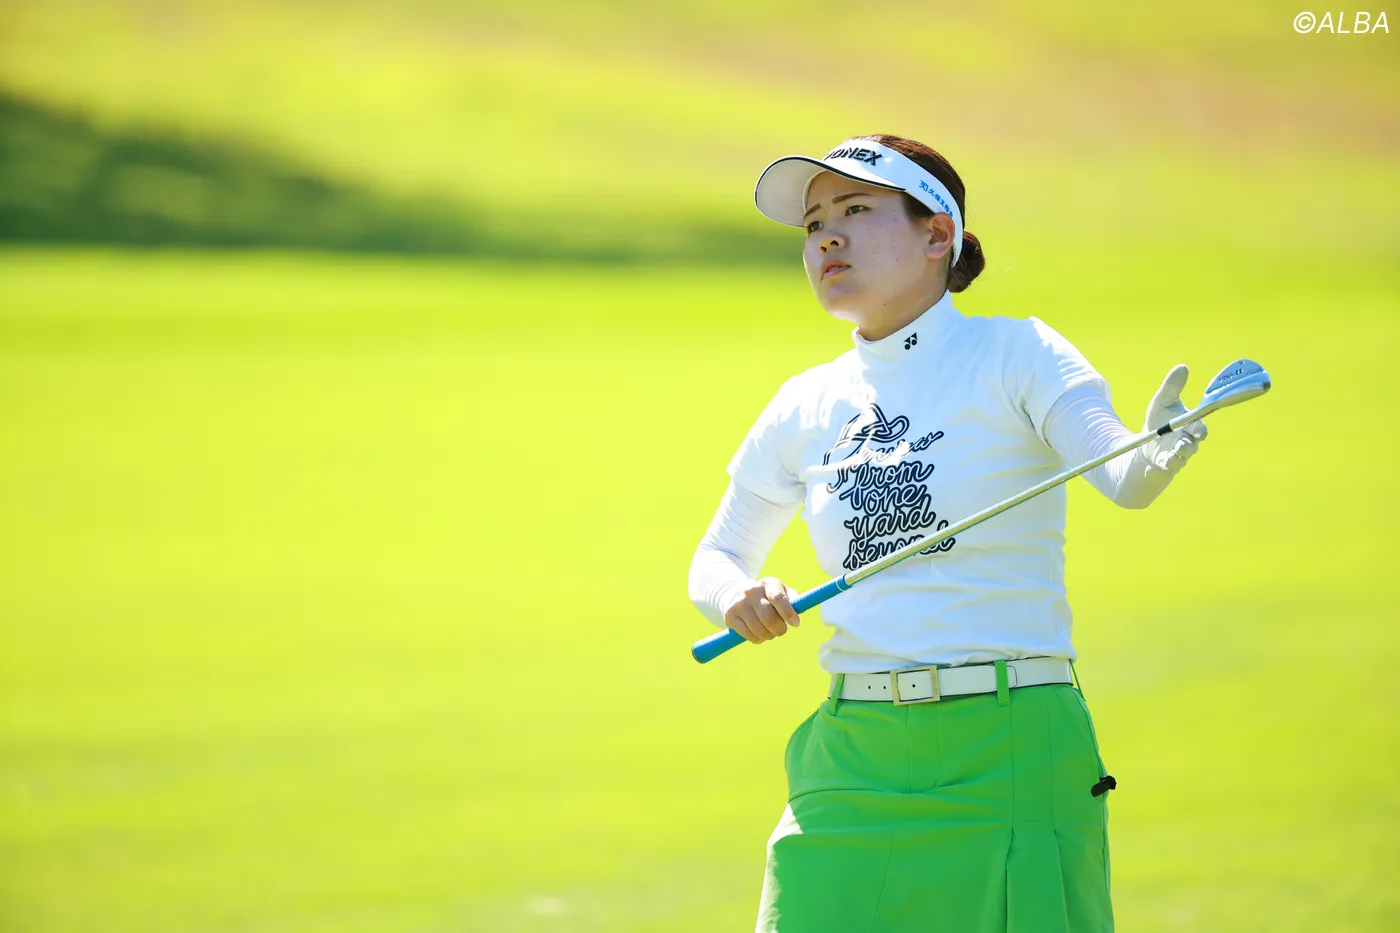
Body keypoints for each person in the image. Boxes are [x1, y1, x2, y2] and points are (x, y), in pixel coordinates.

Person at [686, 134, 1208, 933]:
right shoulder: (804, 402)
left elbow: (1123, 475)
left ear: (937, 235)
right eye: (815, 223)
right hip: (852, 756)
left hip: (1013, 742)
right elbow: (717, 555)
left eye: (855, 211)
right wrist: (737, 595)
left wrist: (1160, 448)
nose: (826, 237)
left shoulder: (1019, 352)